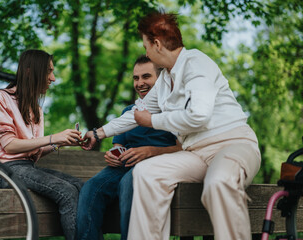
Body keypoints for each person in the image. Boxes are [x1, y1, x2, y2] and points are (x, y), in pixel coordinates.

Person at [82, 12, 261, 240]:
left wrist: (153, 120)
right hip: (195, 154)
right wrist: (98, 133)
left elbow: (199, 116)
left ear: (156, 44)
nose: (145, 52)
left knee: (219, 182)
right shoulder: (165, 80)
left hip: (233, 144)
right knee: (145, 173)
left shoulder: (196, 63)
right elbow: (136, 114)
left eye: (146, 46)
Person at [76, 55, 182, 240]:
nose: (140, 83)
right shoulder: (128, 112)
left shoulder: (173, 109)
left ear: (160, 79)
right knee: (90, 188)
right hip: (123, 167)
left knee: (129, 184)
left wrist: (150, 152)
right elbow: (118, 145)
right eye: (136, 78)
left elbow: (184, 149)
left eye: (146, 77)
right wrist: (112, 155)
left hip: (156, 166)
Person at [0, 49, 84, 240]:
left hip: (26, 167)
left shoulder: (36, 108)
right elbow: (10, 146)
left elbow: (33, 149)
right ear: (30, 71)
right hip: (1, 170)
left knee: (80, 185)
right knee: (66, 191)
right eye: (48, 71)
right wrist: (53, 137)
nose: (53, 78)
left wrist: (61, 142)